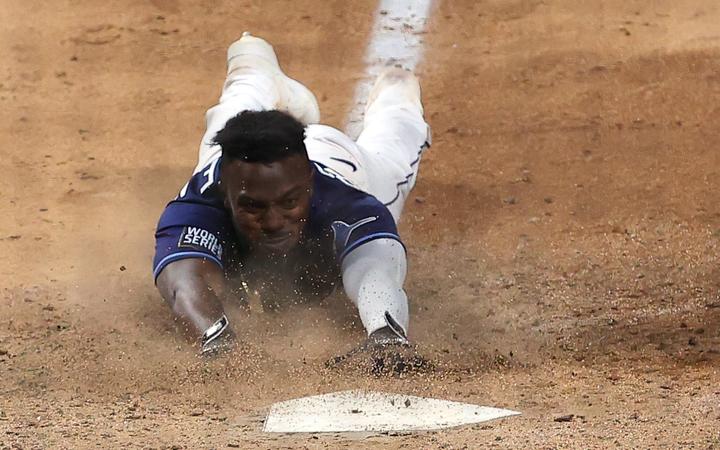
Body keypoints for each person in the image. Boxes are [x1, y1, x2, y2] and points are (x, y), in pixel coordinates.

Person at [152, 33, 430, 370]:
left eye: (289, 204)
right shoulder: (199, 205)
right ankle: (253, 63)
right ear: (226, 193)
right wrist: (217, 340)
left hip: (344, 160)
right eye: (253, 207)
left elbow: (376, 272)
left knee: (395, 145)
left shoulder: (350, 203)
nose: (273, 222)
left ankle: (395, 95)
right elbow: (184, 284)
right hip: (254, 164)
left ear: (310, 185)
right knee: (228, 121)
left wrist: (385, 334)